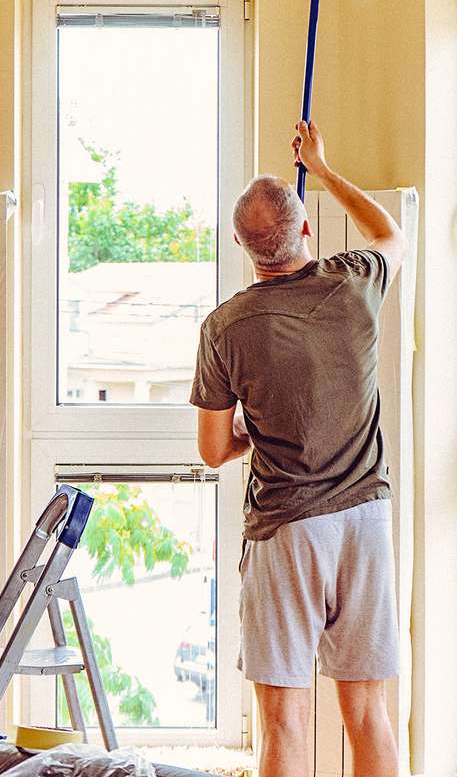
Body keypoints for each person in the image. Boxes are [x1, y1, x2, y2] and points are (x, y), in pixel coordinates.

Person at [190, 120, 407, 777]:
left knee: (283, 723)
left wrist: (263, 421)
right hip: (364, 522)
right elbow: (391, 234)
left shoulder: (224, 327)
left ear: (241, 246)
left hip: (286, 532)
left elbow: (211, 450)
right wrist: (324, 163)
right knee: (368, 713)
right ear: (305, 228)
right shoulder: (355, 286)